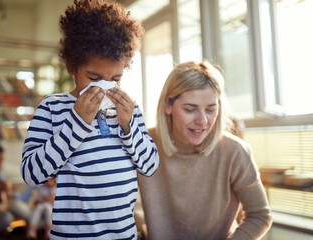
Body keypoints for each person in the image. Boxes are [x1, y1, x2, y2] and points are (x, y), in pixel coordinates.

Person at [20, 0, 159, 239]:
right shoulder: (52, 108)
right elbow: (32, 174)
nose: (105, 86)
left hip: (123, 234)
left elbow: (150, 166)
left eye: (115, 78)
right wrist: (77, 121)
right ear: (71, 66)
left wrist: (129, 127)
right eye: (94, 77)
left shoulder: (129, 109)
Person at [137, 61, 272, 240]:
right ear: (167, 105)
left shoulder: (235, 152)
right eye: (190, 109)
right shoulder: (141, 144)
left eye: (211, 109)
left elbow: (260, 216)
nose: (202, 121)